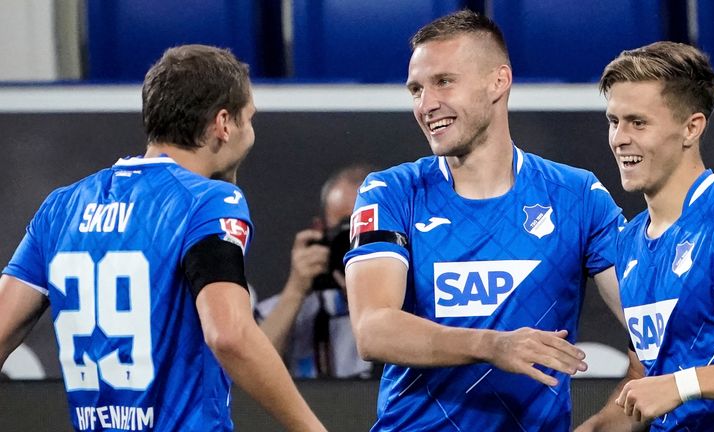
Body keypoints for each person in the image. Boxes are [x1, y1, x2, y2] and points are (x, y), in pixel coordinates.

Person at [0, 45, 325, 432]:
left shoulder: (61, 207)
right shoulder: (208, 201)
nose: (250, 133)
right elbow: (230, 334)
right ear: (223, 123)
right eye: (249, 119)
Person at [343, 10, 626, 431]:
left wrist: (607, 422)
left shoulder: (578, 196)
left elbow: (650, 320)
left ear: (498, 81)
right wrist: (493, 345)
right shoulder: (390, 192)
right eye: (416, 89)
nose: (426, 104)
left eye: (443, 82)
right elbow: (373, 330)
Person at [578, 41, 714, 431]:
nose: (619, 138)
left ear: (691, 127)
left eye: (638, 122)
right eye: (614, 121)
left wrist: (685, 384)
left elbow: (671, 385)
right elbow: (644, 380)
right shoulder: (628, 242)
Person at [257, 164, 374, 378]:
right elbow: (248, 371)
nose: (356, 243)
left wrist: (373, 297)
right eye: (346, 229)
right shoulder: (300, 308)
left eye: (367, 229)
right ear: (321, 230)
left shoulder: (421, 298)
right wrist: (296, 290)